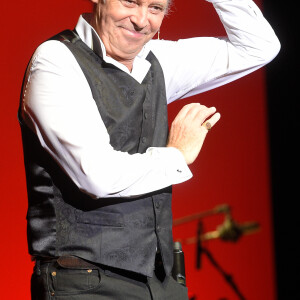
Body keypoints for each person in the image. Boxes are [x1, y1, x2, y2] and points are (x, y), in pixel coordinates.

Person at [19, 0, 280, 299]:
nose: (142, 20)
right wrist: (176, 154)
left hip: (161, 280)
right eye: (131, 2)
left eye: (155, 7)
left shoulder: (158, 60)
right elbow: (96, 175)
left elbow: (259, 47)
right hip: (84, 281)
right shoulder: (56, 60)